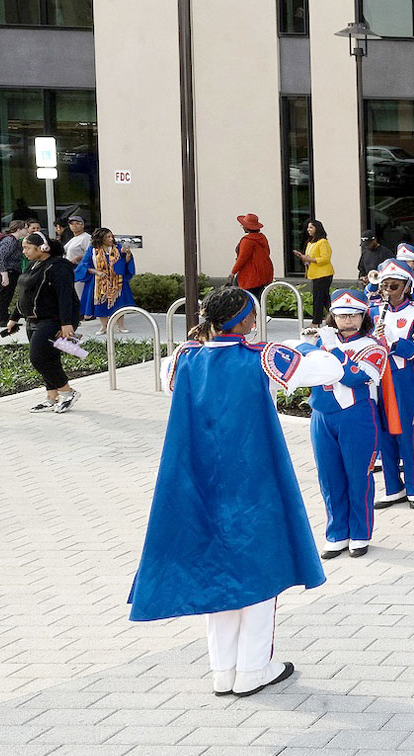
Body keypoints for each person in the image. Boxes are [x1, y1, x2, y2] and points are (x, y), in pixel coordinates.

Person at [129, 288, 353, 698]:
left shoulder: (182, 359)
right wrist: (308, 342)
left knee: (217, 570)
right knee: (258, 571)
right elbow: (330, 370)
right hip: (253, 482)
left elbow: (169, 387)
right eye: (252, 314)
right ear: (246, 320)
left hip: (196, 484)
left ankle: (223, 671)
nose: (255, 320)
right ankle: (253, 669)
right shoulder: (263, 357)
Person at [301, 291, 388, 559]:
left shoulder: (374, 346)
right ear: (333, 316)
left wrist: (334, 350)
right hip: (321, 415)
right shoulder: (321, 341)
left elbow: (356, 378)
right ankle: (336, 533)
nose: (347, 320)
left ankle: (360, 533)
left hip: (357, 415)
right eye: (341, 315)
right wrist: (305, 347)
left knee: (358, 476)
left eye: (353, 315)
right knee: (329, 477)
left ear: (364, 317)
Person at [371, 260, 414, 510]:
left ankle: (413, 488)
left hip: (404, 378)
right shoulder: (373, 312)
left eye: (394, 286)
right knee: (384, 434)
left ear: (406, 287)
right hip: (378, 377)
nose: (388, 291)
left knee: (407, 436)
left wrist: (395, 343)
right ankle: (393, 488)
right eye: (384, 285)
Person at [6, 232, 82, 413]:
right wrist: (14, 317)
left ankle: (67, 392)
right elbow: (24, 294)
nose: (24, 251)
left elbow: (65, 297)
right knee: (50, 358)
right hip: (32, 321)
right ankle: (51, 398)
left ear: (43, 247)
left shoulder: (59, 267)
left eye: (27, 247)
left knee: (38, 357)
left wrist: (66, 324)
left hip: (52, 321)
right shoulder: (33, 265)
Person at [74, 228, 137, 321]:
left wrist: (127, 254)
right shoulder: (92, 250)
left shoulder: (118, 248)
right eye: (108, 237)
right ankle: (104, 326)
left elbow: (124, 263)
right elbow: (83, 266)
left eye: (111, 236)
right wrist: (96, 272)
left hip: (116, 281)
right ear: (101, 238)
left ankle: (120, 325)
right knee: (100, 303)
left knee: (118, 304)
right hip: (99, 282)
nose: (111, 239)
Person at [0, 220, 28, 327]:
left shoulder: (14, 241)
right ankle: (3, 320)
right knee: (3, 295)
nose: (27, 230)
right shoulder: (10, 241)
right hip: (1, 270)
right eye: (25, 228)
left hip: (3, 270)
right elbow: (0, 258)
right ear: (19, 229)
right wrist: (4, 275)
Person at [293, 219, 335, 323]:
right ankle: (335, 316)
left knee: (318, 298)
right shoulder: (310, 243)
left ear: (317, 228)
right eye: (308, 227)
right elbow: (310, 257)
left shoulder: (323, 242)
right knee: (325, 298)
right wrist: (303, 258)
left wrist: (309, 259)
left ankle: (316, 321)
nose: (308, 229)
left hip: (324, 274)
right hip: (315, 273)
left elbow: (325, 258)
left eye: (311, 227)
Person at [229, 213, 274, 293]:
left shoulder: (247, 241)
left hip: (250, 276)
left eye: (243, 225)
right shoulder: (262, 238)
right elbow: (267, 252)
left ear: (247, 227)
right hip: (263, 274)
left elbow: (242, 258)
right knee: (259, 298)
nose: (242, 226)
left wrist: (233, 272)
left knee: (244, 298)